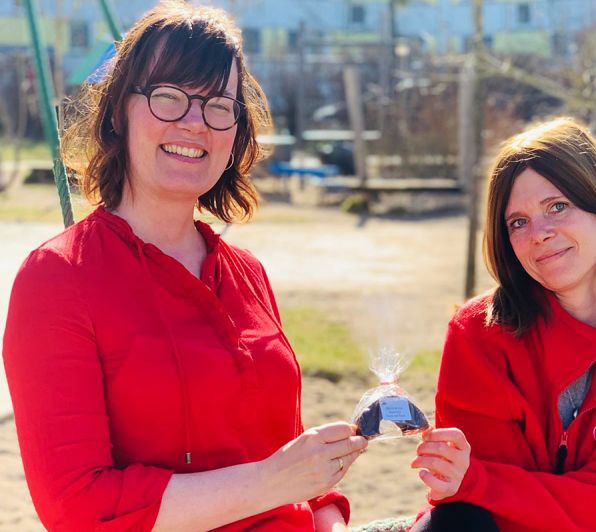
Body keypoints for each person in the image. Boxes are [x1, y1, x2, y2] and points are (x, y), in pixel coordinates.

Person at [2, 2, 366, 530]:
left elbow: (290, 460)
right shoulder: (57, 279)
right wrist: (271, 483)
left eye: (218, 105)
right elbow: (77, 506)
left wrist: (329, 515)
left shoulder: (246, 273)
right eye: (169, 96)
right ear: (118, 112)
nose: (195, 123)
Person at [410, 117, 596, 531]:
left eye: (557, 206)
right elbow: (472, 507)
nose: (539, 233)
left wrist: (480, 481)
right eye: (518, 222)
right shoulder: (478, 334)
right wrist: (476, 483)